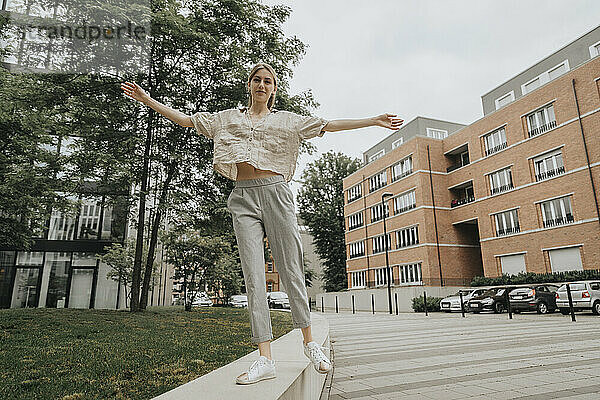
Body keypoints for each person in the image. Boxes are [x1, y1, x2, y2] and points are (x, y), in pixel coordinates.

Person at [121, 63, 403, 385]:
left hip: (276, 193)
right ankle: (265, 358)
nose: (262, 85)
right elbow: (187, 120)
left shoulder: (288, 120)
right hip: (242, 197)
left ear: (274, 89)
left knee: (290, 268)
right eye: (257, 80)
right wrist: (147, 99)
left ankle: (309, 342)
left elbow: (328, 124)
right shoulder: (227, 119)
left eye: (268, 81)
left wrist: (373, 120)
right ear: (249, 85)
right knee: (254, 276)